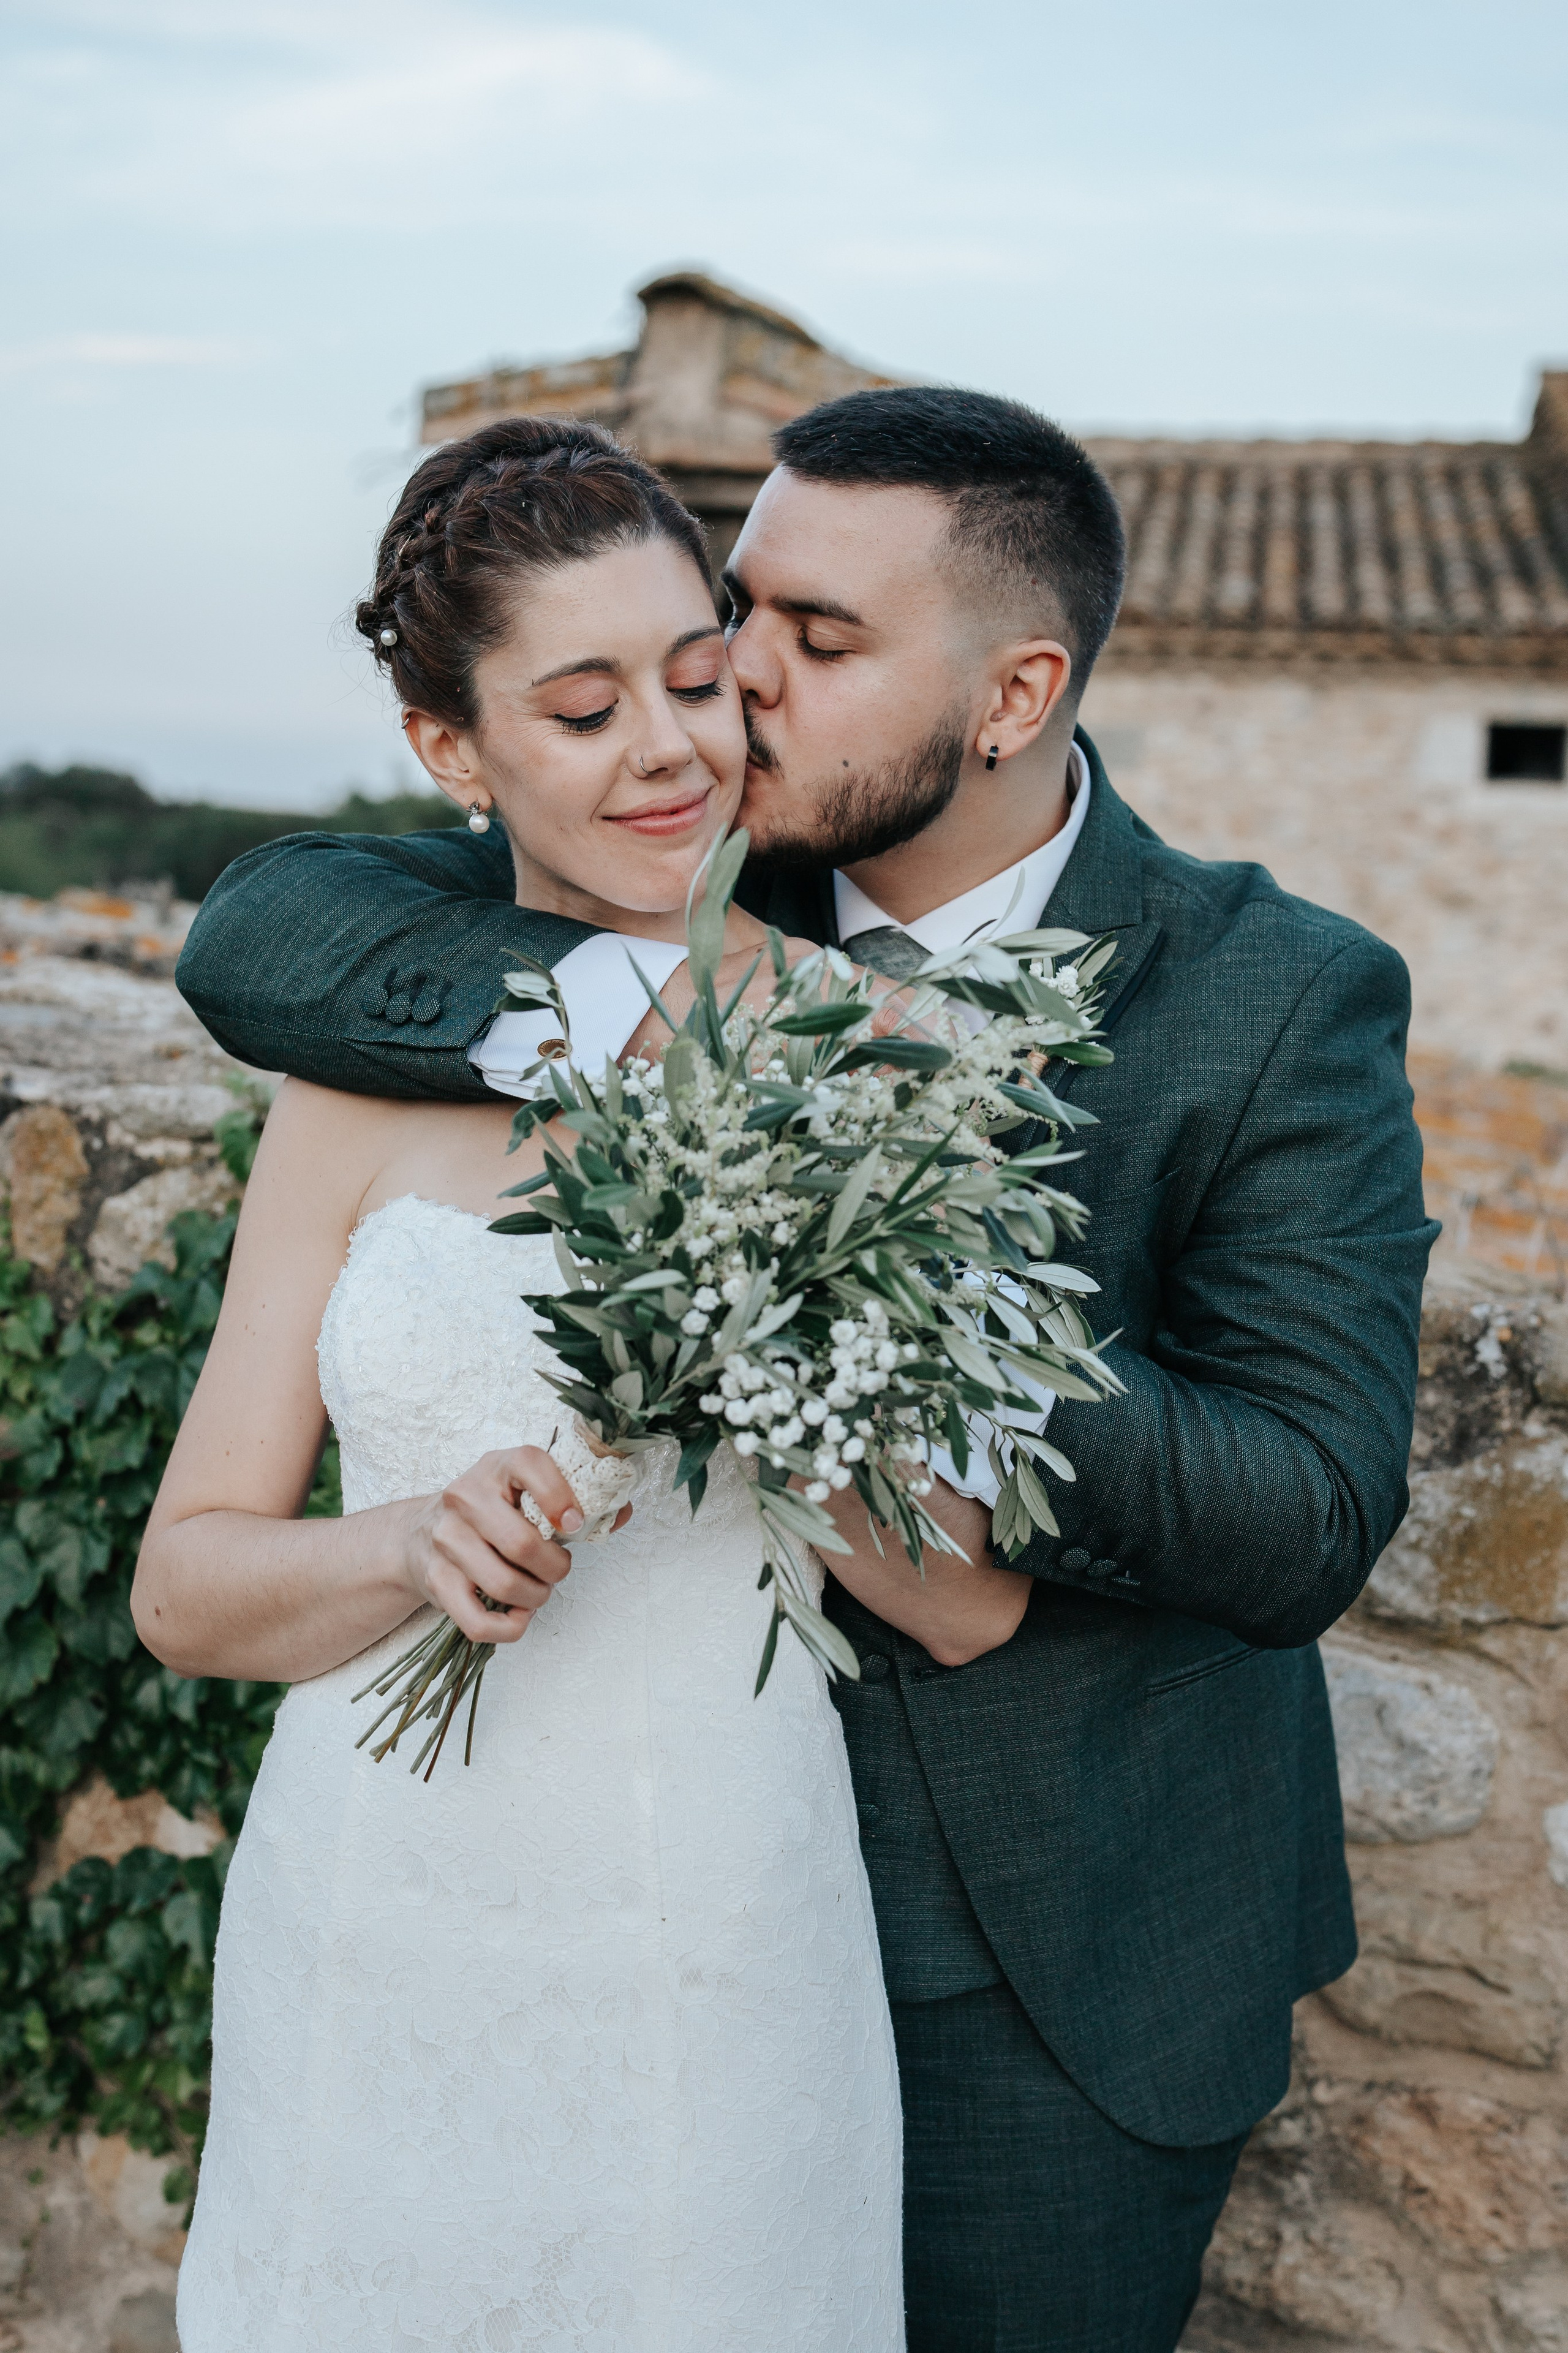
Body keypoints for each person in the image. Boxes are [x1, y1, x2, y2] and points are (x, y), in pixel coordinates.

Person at [177, 390, 1439, 2352]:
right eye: (735, 616)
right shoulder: (687, 881)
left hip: (1049, 1954)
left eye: (812, 643)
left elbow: (1307, 1513)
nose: (732, 689)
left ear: (1012, 696)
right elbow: (265, 934)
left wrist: (895, 1295)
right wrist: (660, 1018)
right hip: (587, 1878)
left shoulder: (1279, 992)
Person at [143, 421, 1052, 2349]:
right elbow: (186, 1588)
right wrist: (403, 1540)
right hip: (376, 1909)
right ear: (452, 755)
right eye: (581, 706)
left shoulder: (862, 1059)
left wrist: (769, 1349)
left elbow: (972, 1598)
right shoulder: (353, 1070)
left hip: (714, 1919)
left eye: (698, 675)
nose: (672, 746)